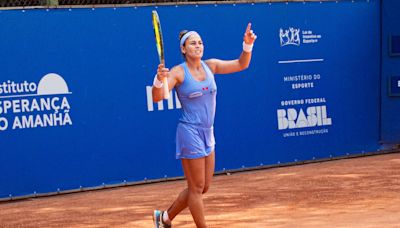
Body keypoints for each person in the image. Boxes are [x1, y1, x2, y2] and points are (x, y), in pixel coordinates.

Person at [152, 23, 257, 228]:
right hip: (189, 132)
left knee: (203, 187)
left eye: (200, 42)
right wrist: (158, 79)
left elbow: (241, 64)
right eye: (193, 43)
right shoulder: (177, 72)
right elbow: (158, 97)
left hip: (208, 133)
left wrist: (247, 45)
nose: (198, 46)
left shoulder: (211, 66)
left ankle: (164, 218)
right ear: (183, 49)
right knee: (196, 188)